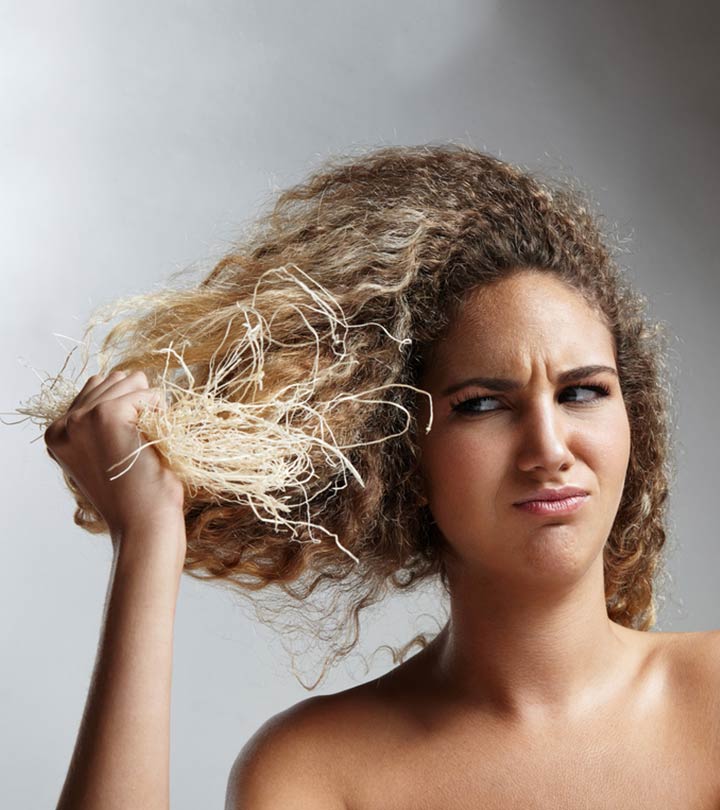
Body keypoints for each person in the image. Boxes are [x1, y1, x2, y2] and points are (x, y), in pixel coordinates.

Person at [40, 144, 720, 808]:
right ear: (400, 455)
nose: (548, 448)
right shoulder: (317, 774)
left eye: (582, 393)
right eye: (482, 405)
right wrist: (149, 538)